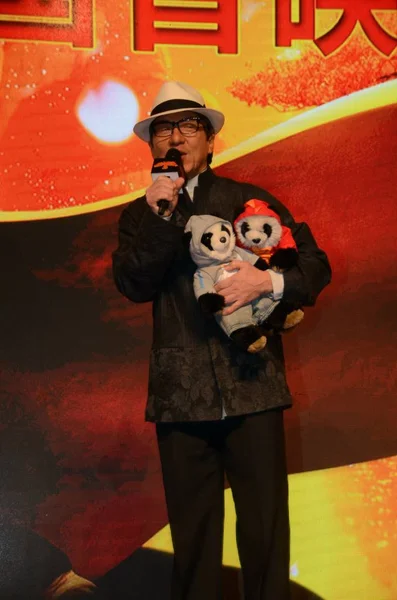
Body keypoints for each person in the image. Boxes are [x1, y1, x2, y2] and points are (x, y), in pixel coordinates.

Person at [112, 80, 331, 600]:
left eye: (190, 126)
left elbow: (314, 266)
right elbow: (133, 284)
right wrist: (162, 216)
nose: (176, 137)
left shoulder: (245, 200)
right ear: (151, 145)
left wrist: (268, 281)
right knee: (193, 541)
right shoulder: (140, 215)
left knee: (264, 533)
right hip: (180, 396)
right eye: (164, 128)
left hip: (251, 385)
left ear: (211, 141)